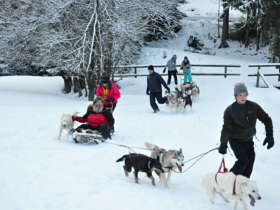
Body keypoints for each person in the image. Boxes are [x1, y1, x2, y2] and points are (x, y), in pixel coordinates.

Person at [218, 83, 274, 178]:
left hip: (248, 140)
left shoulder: (253, 107)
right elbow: (226, 128)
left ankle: (244, 184)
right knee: (243, 161)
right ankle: (226, 180)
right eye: (240, 95)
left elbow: (266, 119)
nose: (243, 97)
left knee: (250, 162)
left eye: (245, 94)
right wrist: (223, 143)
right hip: (236, 140)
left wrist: (270, 135)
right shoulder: (230, 110)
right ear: (235, 96)